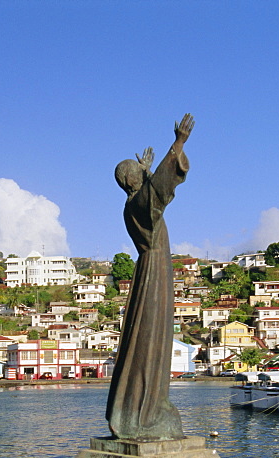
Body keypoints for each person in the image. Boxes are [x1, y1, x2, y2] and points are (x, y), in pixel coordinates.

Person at [105, 114, 193, 441]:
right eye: (138, 171)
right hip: (154, 275)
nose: (143, 173)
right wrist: (179, 143)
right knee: (151, 340)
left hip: (152, 272)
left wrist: (146, 170)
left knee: (149, 340)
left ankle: (140, 409)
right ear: (132, 180)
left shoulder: (132, 204)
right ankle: (145, 414)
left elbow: (152, 185)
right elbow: (160, 189)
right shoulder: (140, 204)